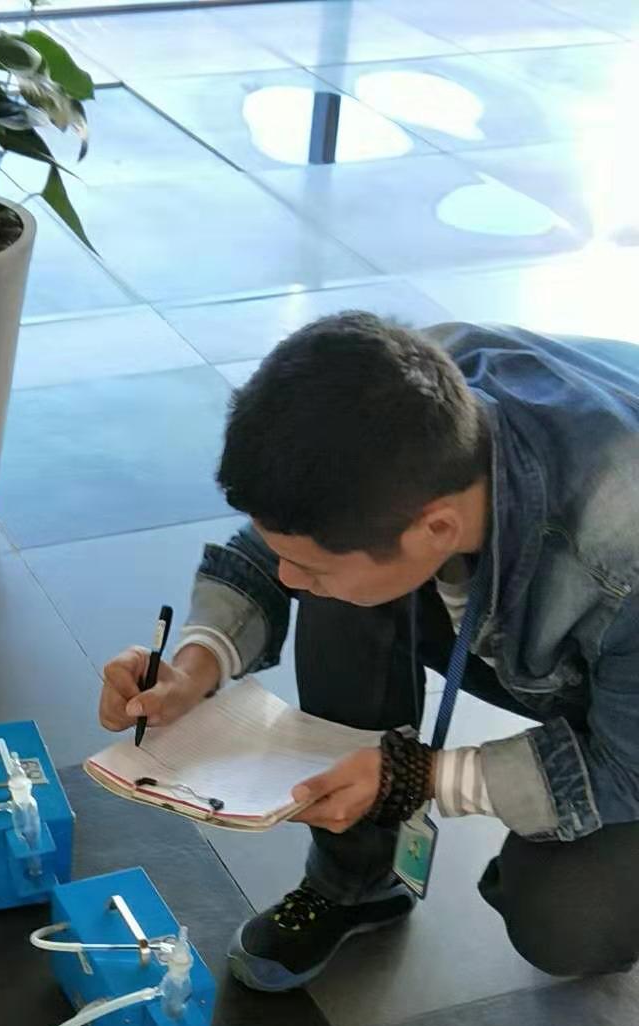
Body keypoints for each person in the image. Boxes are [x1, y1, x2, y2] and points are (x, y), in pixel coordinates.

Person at [99, 314, 639, 991]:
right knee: (340, 586)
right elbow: (285, 543)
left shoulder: (622, 556)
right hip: (593, 635)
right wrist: (193, 668)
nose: (286, 578)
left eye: (304, 565)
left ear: (436, 529)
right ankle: (355, 883)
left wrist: (419, 777)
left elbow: (627, 771)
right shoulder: (410, 398)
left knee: (566, 914)